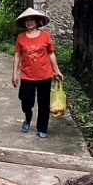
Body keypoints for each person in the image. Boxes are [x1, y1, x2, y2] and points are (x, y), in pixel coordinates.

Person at [11, 8, 64, 138]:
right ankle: (28, 118)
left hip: (45, 75)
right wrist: (14, 74)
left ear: (37, 21)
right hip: (27, 75)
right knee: (26, 101)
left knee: (44, 104)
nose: (29, 22)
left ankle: (42, 128)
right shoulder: (21, 37)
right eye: (27, 20)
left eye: (32, 20)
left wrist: (57, 71)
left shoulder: (45, 35)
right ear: (24, 23)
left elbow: (51, 54)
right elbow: (18, 55)